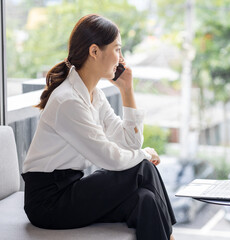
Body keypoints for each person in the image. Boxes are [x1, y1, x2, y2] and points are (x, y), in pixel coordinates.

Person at [21, 14, 176, 240]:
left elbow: (129, 142)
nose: (121, 59)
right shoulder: (68, 101)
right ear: (94, 51)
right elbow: (110, 158)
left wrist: (127, 90)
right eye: (117, 49)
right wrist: (143, 155)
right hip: (48, 203)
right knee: (143, 167)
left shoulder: (94, 95)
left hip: (72, 188)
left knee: (146, 200)